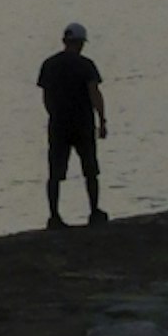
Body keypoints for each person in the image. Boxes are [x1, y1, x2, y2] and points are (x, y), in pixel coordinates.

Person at [38, 22, 107, 228]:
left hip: (58, 124)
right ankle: (94, 212)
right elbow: (94, 93)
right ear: (80, 43)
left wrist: (54, 115)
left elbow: (46, 96)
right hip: (82, 123)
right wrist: (102, 120)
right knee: (90, 170)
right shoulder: (86, 65)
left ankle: (54, 216)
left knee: (55, 173)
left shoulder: (49, 64)